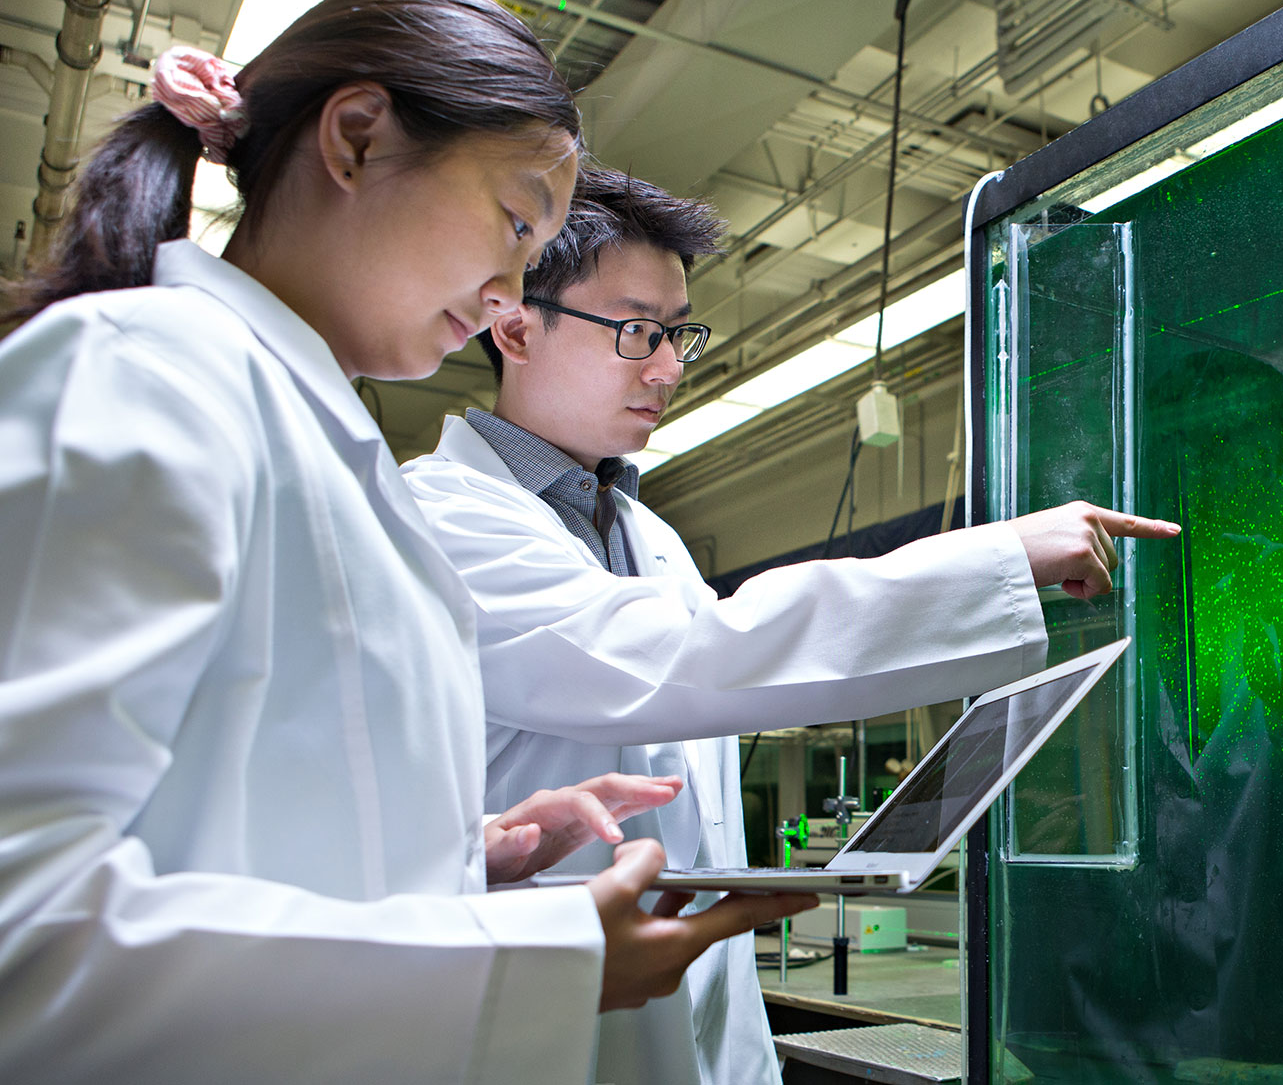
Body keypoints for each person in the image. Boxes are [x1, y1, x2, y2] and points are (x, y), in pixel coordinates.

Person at [0, 0, 811, 1083]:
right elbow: (23, 936)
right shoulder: (142, 373)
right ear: (357, 138)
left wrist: (457, 862)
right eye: (515, 221)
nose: (506, 293)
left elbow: (227, 840)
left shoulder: (327, 448)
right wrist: (523, 959)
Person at [401, 164, 1180, 1084]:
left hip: (697, 1030)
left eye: (679, 333)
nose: (669, 367)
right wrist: (995, 558)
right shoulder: (441, 518)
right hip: (538, 1041)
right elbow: (683, 661)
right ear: (515, 324)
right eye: (636, 332)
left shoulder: (644, 533)